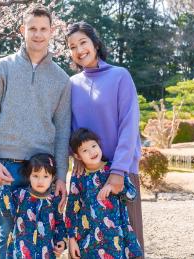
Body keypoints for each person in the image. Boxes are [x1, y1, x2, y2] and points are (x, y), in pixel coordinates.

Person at [0, 5, 71, 258]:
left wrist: (61, 175)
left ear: (52, 31)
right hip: (6, 166)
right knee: (7, 231)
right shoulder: (2, 67)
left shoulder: (62, 79)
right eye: (32, 29)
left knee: (42, 233)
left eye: (43, 29)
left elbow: (63, 132)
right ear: (22, 30)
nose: (38, 34)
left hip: (42, 169)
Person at [66, 21, 145, 256]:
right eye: (72, 47)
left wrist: (118, 171)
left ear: (95, 43)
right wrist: (76, 158)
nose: (79, 50)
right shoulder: (72, 84)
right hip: (88, 176)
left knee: (129, 244)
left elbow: (129, 126)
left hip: (121, 174)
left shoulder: (119, 76)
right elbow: (72, 129)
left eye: (83, 42)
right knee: (92, 245)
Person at [66, 128, 142, 259]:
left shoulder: (113, 170)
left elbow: (132, 194)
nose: (92, 152)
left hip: (115, 238)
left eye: (93, 146)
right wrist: (71, 240)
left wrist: (114, 187)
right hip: (88, 240)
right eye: (85, 150)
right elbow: (71, 210)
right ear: (77, 156)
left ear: (99, 145)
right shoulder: (78, 177)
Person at [0, 153, 67, 258]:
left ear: (52, 178)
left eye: (45, 176)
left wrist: (62, 241)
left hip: (46, 253)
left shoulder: (54, 200)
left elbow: (59, 222)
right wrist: (5, 187)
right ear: (29, 176)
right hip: (20, 253)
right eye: (35, 176)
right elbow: (6, 211)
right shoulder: (20, 195)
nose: (40, 181)